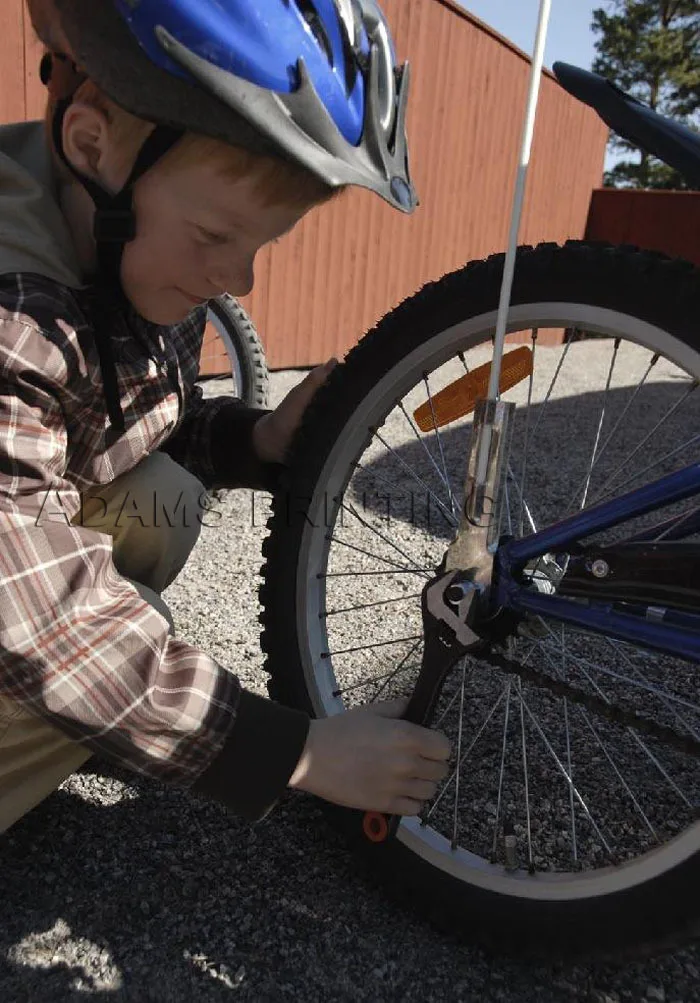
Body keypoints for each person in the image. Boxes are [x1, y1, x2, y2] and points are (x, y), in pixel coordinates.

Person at [0, 0, 450, 835]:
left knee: (158, 498)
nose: (238, 278)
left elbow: (113, 424)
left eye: (259, 246)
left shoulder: (111, 241)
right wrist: (294, 753)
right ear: (92, 148)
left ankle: (77, 725)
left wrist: (255, 440)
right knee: (111, 630)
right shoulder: (14, 321)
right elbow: (35, 618)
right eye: (216, 234)